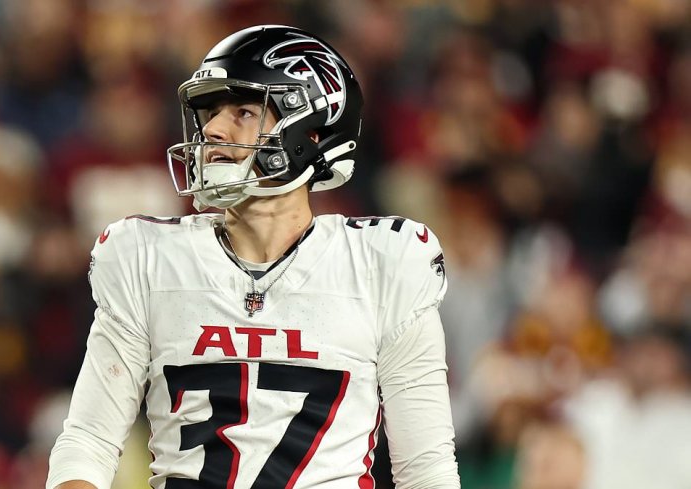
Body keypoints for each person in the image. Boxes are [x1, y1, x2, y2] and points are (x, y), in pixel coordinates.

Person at [46, 25, 459, 489]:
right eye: (210, 113)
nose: (214, 129)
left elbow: (426, 469)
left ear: (310, 130)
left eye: (243, 111)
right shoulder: (147, 259)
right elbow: (88, 442)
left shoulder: (383, 264)